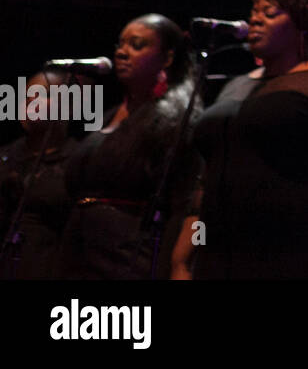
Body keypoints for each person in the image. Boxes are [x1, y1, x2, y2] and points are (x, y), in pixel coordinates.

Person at [172, 0, 308, 279]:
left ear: (301, 26)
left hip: (291, 252)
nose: (255, 19)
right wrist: (182, 257)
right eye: (254, 12)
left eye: (269, 13)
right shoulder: (235, 86)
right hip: (218, 255)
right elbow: (207, 178)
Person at [58, 15, 201, 279]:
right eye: (120, 44)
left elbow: (183, 206)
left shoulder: (176, 120)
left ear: (167, 59)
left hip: (126, 259)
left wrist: (176, 268)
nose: (122, 52)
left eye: (136, 45)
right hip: (80, 251)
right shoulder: (109, 114)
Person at [0, 72, 79, 278]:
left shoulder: (78, 162)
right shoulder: (6, 157)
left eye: (41, 95)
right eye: (27, 96)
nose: (30, 102)